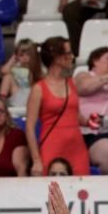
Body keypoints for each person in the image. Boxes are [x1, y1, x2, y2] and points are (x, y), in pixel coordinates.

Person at [26, 37, 90, 177]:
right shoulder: (39, 88)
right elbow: (30, 127)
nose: (72, 57)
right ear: (57, 58)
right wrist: (36, 160)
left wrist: (89, 121)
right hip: (52, 146)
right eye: (68, 53)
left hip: (77, 148)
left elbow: (74, 114)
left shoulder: (71, 83)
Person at [76, 47, 108, 175]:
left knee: (107, 149)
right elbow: (83, 88)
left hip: (107, 133)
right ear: (95, 61)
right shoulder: (84, 75)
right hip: (80, 132)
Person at [0, 40, 43, 112]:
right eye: (21, 55)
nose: (25, 57)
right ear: (17, 56)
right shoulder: (16, 68)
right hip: (18, 96)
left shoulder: (37, 68)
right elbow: (3, 71)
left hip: (33, 96)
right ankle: (2, 102)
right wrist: (12, 59)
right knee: (7, 77)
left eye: (28, 54)